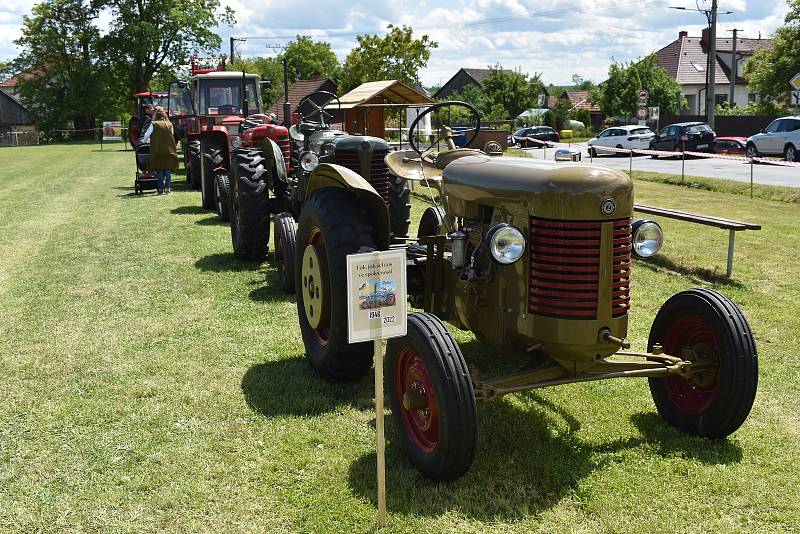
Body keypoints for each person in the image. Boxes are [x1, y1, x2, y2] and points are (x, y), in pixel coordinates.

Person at [143, 108, 178, 194]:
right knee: (167, 170)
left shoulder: (153, 124)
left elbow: (146, 135)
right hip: (169, 150)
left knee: (159, 171)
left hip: (157, 150)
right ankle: (168, 188)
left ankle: (160, 189)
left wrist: (145, 141)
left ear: (156, 115)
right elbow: (172, 135)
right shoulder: (169, 124)